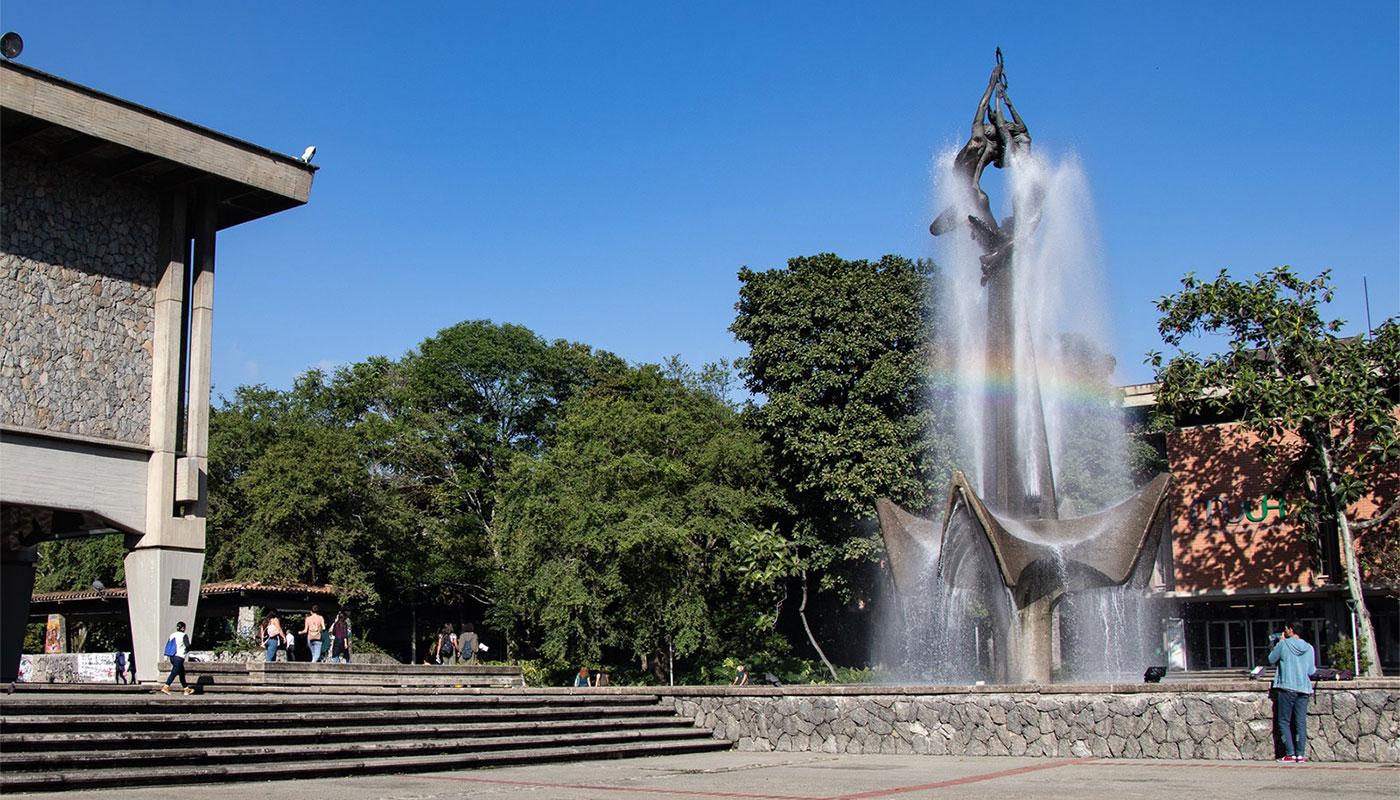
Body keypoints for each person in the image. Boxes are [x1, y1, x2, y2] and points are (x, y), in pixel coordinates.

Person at [1268, 620, 1316, 763]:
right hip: (1304, 688)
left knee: (1284, 721)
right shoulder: (1308, 647)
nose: (1285, 631)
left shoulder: (1284, 644)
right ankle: (1300, 754)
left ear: (1290, 630)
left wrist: (1279, 642)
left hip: (1287, 687)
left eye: (1286, 629)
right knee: (1300, 721)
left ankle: (1290, 753)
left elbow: (1271, 659)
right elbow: (1311, 670)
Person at [160, 621, 194, 695]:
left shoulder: (172, 635)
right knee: (174, 672)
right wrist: (188, 649)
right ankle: (166, 686)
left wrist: (165, 655)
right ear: (183, 628)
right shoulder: (184, 635)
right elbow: (187, 645)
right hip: (179, 657)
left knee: (181, 673)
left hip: (172, 657)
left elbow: (168, 645)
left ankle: (186, 689)